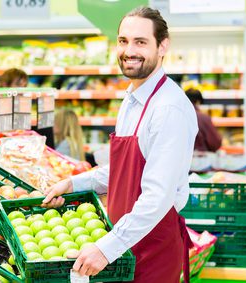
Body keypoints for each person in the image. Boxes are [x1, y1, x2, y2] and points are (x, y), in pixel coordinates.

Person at [43, 6, 198, 283]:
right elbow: (124, 170)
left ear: (163, 46)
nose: (129, 51)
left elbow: (157, 197)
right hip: (124, 244)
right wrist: (73, 184)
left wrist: (105, 249)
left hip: (152, 250)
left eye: (141, 42)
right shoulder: (131, 99)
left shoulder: (169, 109)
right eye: (123, 41)